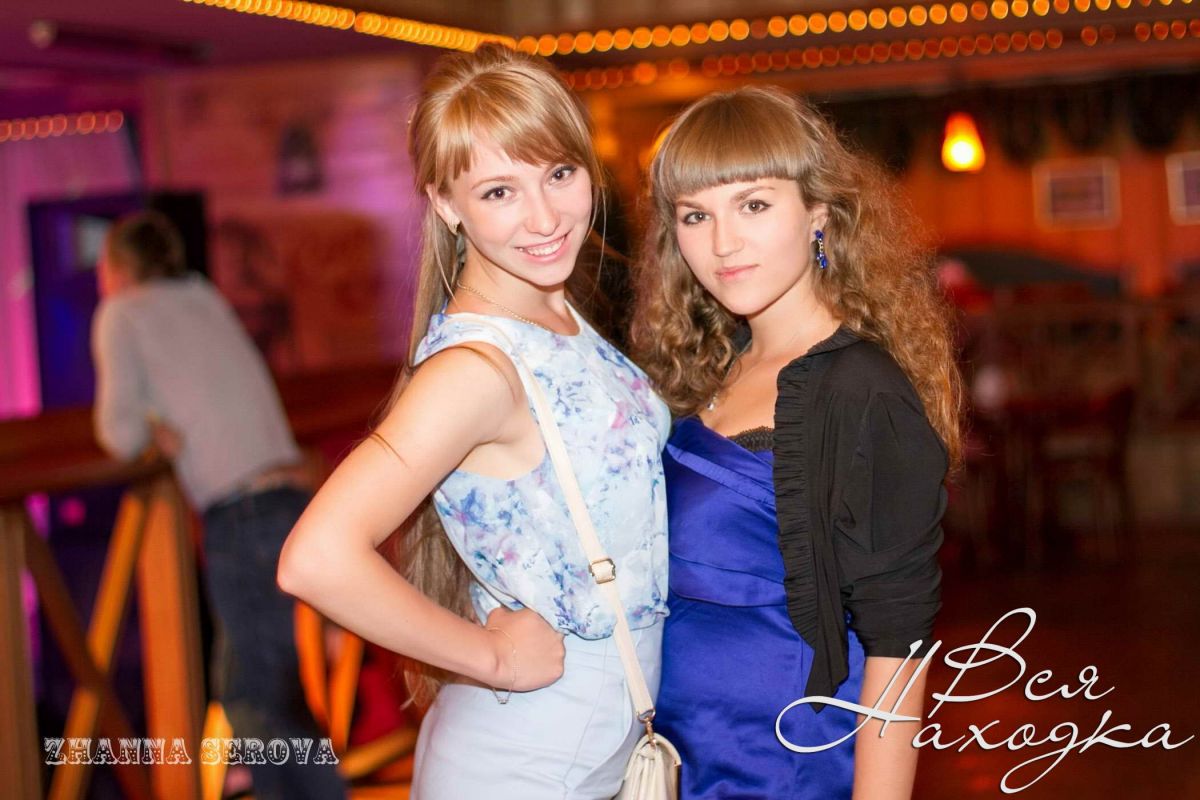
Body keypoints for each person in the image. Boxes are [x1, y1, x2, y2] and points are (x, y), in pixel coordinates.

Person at [277, 43, 670, 799]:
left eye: (560, 173)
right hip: (524, 767)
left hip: (583, 754)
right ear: (447, 205)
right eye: (499, 191)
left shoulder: (554, 317)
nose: (545, 216)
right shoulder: (474, 371)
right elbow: (315, 557)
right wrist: (491, 658)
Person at [631, 86, 962, 800]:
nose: (722, 243)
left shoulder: (859, 388)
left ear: (819, 212)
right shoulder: (712, 365)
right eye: (695, 215)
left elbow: (899, 647)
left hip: (785, 764)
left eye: (753, 204)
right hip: (689, 754)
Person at [91, 211, 346, 800]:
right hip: (291, 499)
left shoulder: (121, 314)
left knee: (264, 699)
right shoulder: (203, 296)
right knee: (253, 687)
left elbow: (117, 434)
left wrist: (151, 425)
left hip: (242, 514)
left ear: (117, 267)